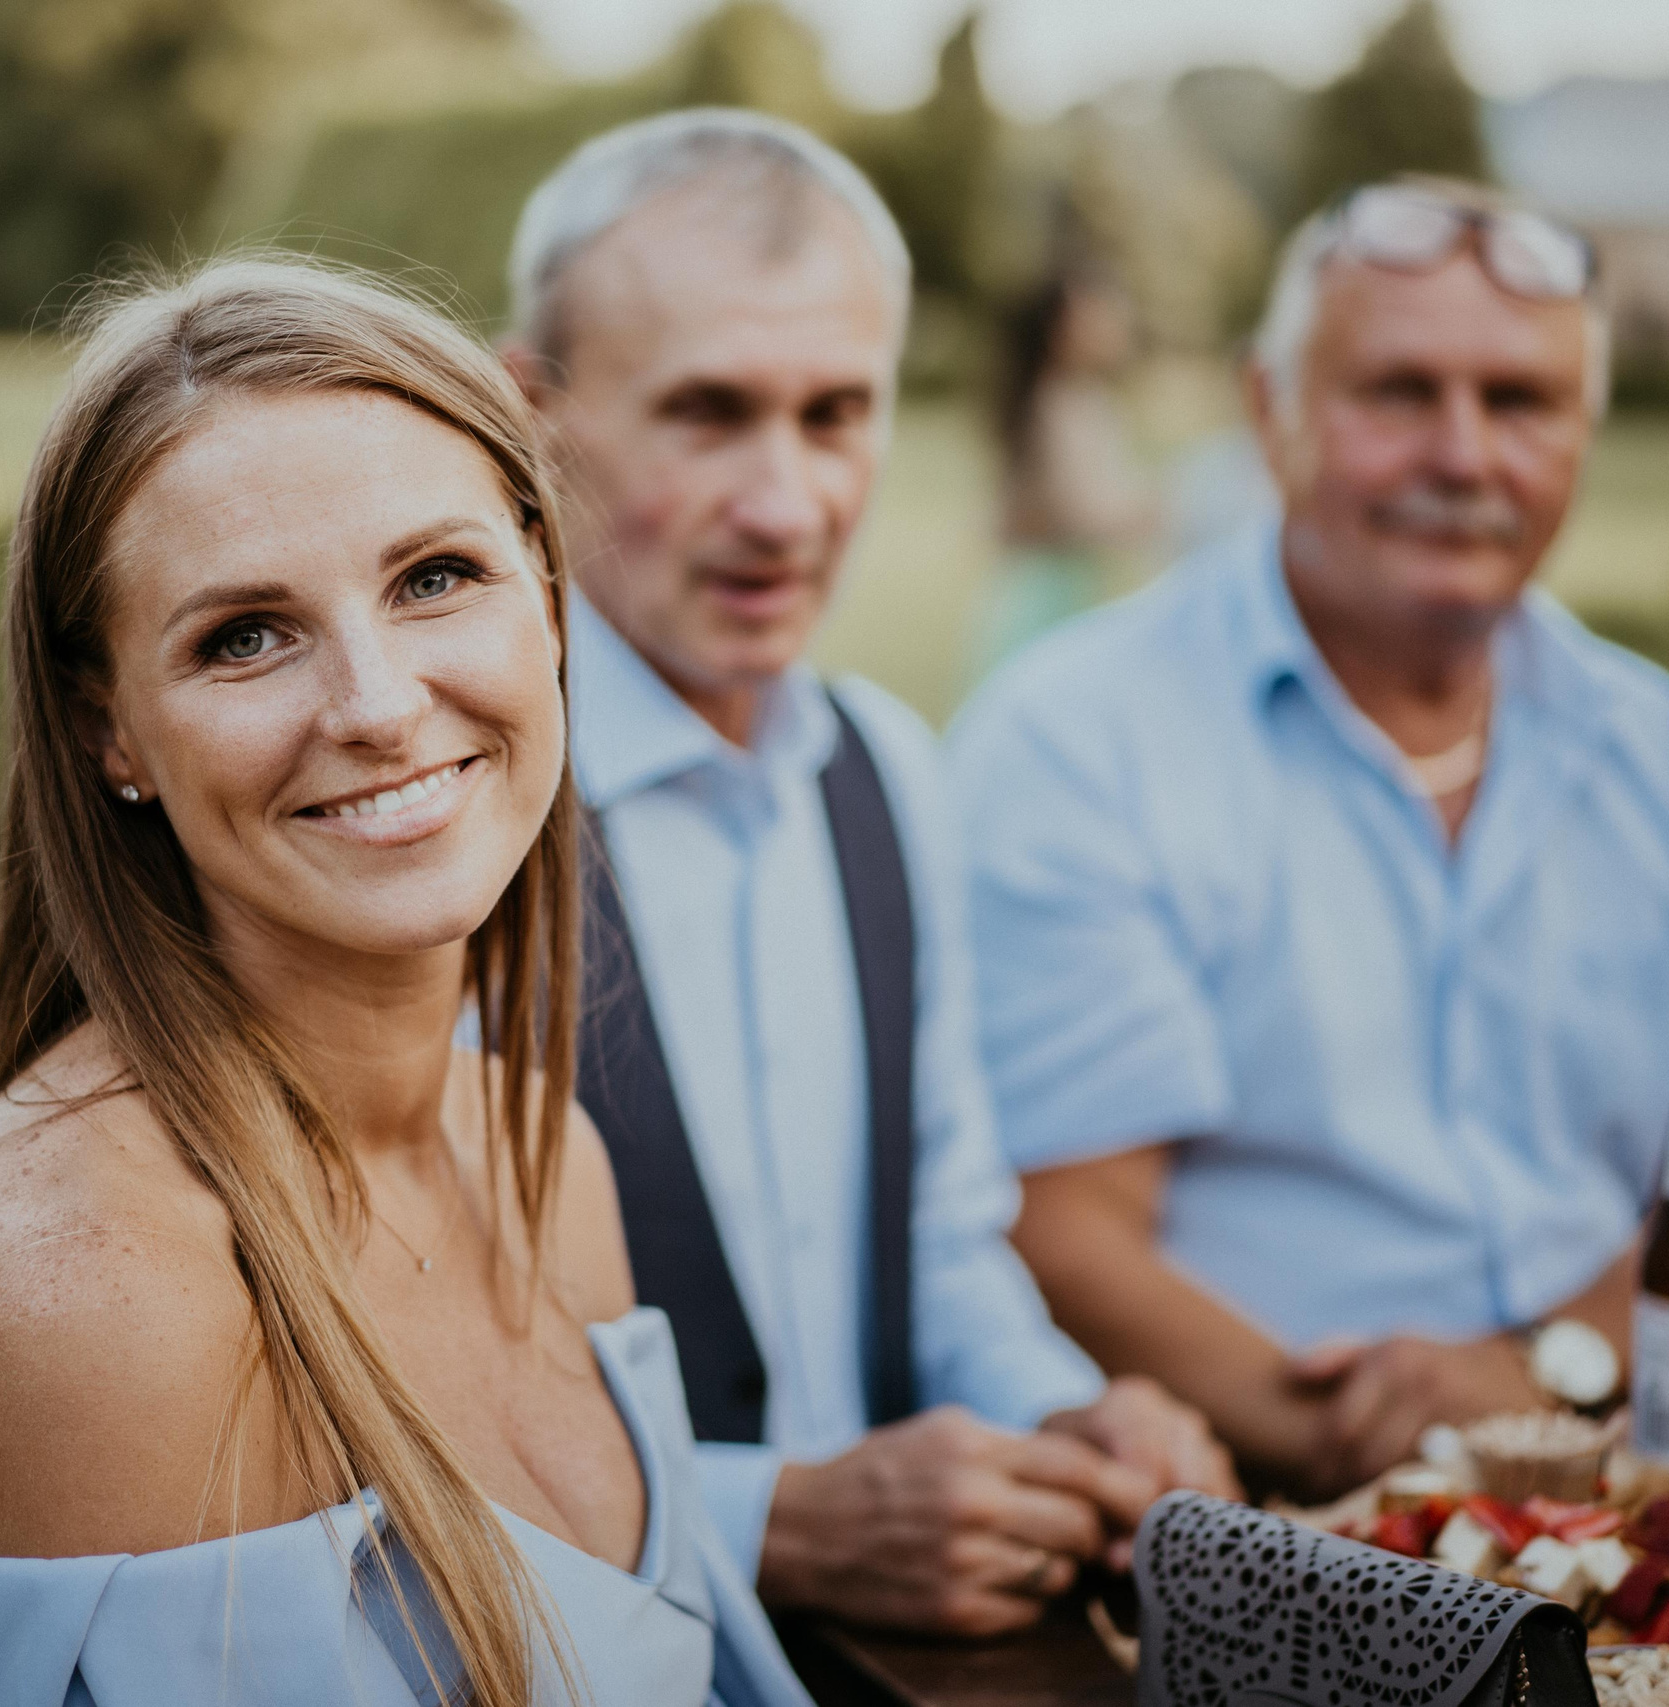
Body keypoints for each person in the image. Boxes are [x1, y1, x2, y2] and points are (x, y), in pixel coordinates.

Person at [0, 258, 812, 1706]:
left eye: (436, 577)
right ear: (115, 734)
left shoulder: (546, 1160)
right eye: (246, 636)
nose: (379, 704)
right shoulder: (97, 1288)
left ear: (547, 594)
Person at [948, 179, 1669, 1500]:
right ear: (1272, 412)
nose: (1464, 455)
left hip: (1631, 1491)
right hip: (1244, 1512)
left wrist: (1551, 1372)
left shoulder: (1666, 755)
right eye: (1400, 391)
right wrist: (1419, 1460)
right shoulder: (1080, 737)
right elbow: (1062, 1232)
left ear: (1585, 430)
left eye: (1521, 401)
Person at [497, 109, 1236, 1641]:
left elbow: (942, 1232)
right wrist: (769, 1522)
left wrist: (1059, 1409)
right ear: (530, 412)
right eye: (709, 413)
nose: (787, 504)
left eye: (837, 413)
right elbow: (349, 1401)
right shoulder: (450, 807)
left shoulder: (892, 770)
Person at [972, 250, 1161, 679]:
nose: (1111, 322)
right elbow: (1072, 511)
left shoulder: (1090, 401)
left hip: (1076, 591)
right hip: (1043, 597)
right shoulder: (1051, 405)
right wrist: (1147, 514)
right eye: (1092, 312)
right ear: (1059, 329)